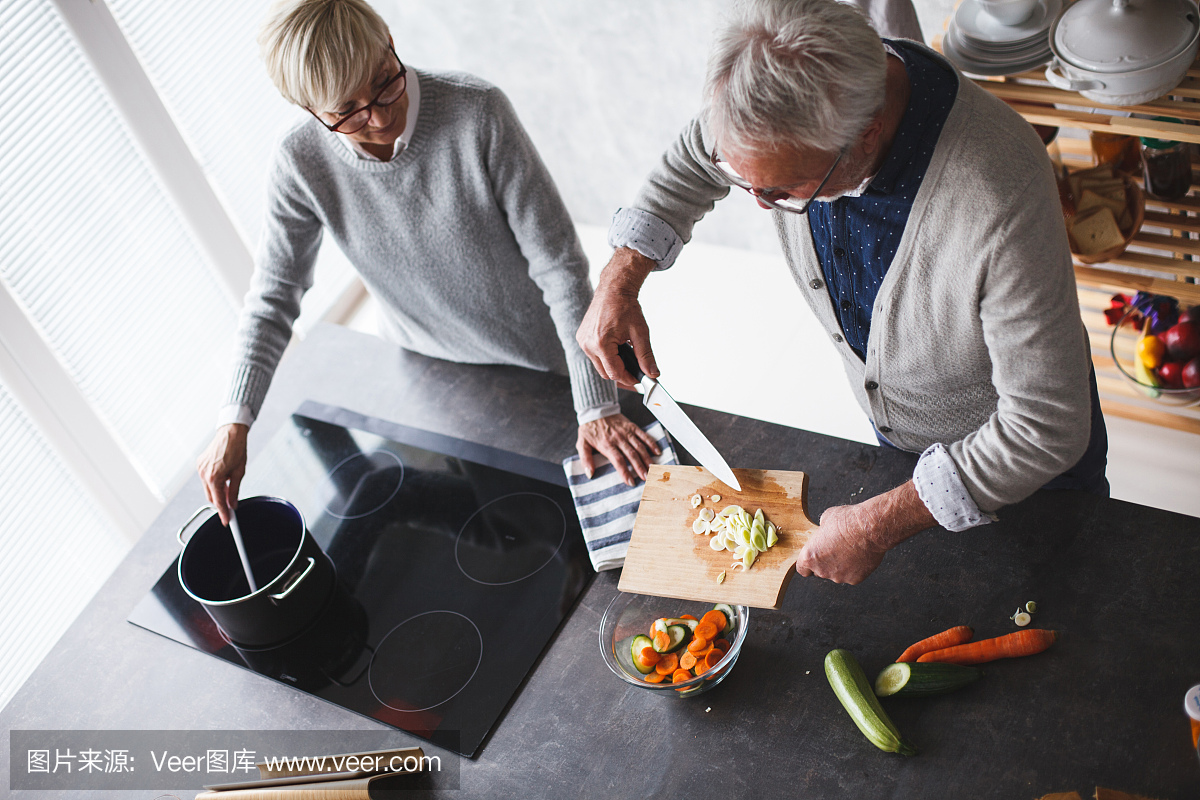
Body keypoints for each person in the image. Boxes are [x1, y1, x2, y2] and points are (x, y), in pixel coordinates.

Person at [577, 0, 1108, 585]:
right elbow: (694, 156)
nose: (759, 203)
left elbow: (1045, 426)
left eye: (782, 191)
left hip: (1032, 465)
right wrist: (620, 276)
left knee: (1062, 595)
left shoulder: (998, 193)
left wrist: (875, 526)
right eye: (743, 182)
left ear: (864, 137)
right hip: (902, 440)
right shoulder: (775, 107)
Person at [198, 0, 659, 524]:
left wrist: (596, 404)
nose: (378, 115)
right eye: (346, 111)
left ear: (389, 42)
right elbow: (273, 296)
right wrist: (234, 422)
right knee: (523, 522)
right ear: (309, 110)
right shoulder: (300, 161)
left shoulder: (477, 110)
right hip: (434, 373)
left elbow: (558, 265)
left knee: (636, 512)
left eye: (383, 81)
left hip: (546, 364)